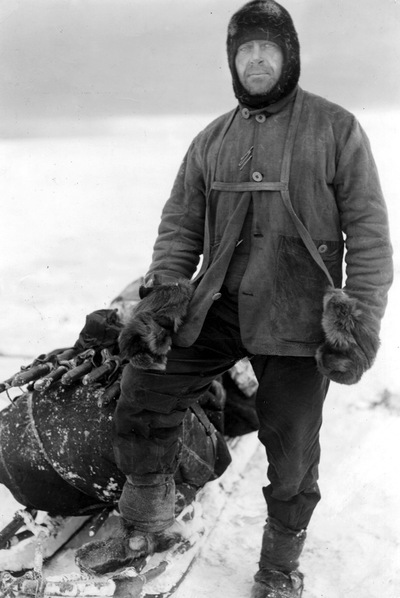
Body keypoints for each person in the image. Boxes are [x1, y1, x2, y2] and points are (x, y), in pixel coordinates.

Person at [79, 1, 393, 596]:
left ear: (289, 56)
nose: (255, 58)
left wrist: (358, 321)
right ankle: (147, 526)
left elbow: (371, 236)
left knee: (293, 451)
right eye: (244, 49)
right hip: (219, 306)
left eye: (267, 48)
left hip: (296, 318)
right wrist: (163, 302)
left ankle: (278, 567)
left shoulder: (336, 128)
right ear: (232, 60)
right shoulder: (211, 140)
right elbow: (179, 230)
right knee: (144, 392)